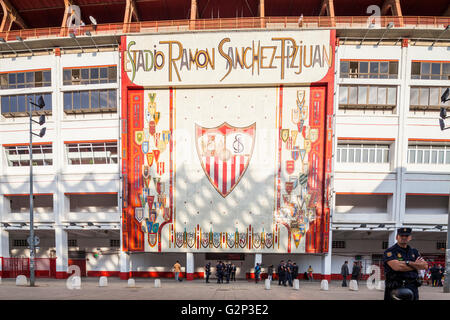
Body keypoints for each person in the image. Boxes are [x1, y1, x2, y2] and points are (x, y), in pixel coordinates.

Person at [383, 227, 428, 300]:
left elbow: (425, 266)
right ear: (397, 237)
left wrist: (406, 263)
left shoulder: (414, 252)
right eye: (401, 235)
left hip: (412, 286)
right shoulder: (390, 251)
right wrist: (416, 265)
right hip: (395, 287)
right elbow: (397, 267)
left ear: (410, 237)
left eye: (406, 236)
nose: (404, 237)